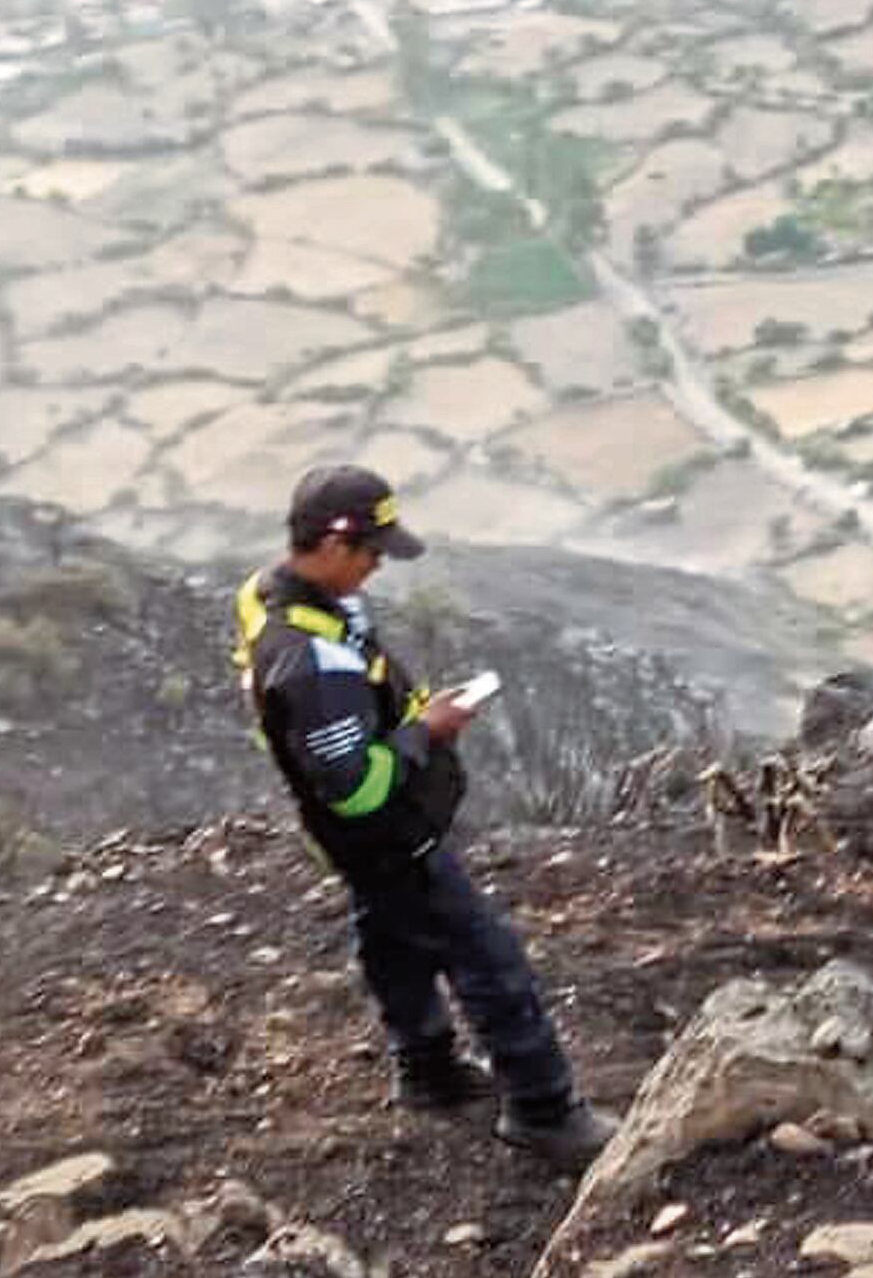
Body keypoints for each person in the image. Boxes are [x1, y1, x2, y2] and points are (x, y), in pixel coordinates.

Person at [236, 464, 613, 1165]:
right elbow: (353, 787)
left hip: (357, 842)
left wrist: (403, 717)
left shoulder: (274, 597)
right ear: (332, 542)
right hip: (382, 833)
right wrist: (425, 732)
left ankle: (427, 1070)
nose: (378, 566)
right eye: (372, 552)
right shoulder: (309, 659)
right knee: (487, 956)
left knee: (390, 936)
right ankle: (543, 1108)